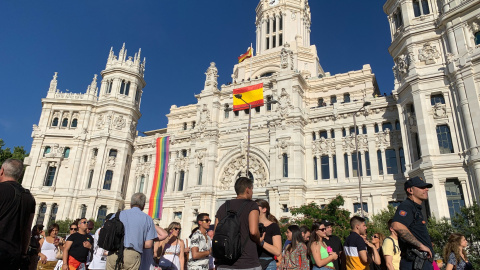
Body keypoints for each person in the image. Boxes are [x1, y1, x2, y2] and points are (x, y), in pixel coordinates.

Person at [214, 177, 262, 270]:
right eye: (252, 189)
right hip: (247, 262)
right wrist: (259, 240)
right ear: (247, 190)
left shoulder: (223, 207)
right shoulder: (251, 205)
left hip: (224, 263)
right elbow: (253, 231)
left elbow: (216, 233)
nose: (252, 193)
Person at [0, 159, 36, 270]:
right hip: (13, 255)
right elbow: (27, 229)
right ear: (20, 175)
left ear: (2, 171)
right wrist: (24, 254)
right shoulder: (29, 197)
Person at [106, 193, 157, 270]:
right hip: (132, 254)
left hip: (113, 252)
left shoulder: (117, 215)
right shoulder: (147, 219)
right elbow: (148, 244)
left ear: (130, 203)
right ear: (143, 205)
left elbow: (104, 233)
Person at [392, 177, 434, 270]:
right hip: (415, 262)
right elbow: (397, 225)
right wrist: (420, 245)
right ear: (410, 190)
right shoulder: (407, 206)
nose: (426, 189)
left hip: (421, 262)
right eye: (422, 187)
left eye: (426, 187)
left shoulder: (415, 208)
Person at [255, 199, 282, 270]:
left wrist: (261, 242)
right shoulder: (250, 226)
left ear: (264, 209)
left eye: (256, 206)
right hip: (252, 262)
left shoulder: (273, 227)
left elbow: (277, 251)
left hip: (268, 263)